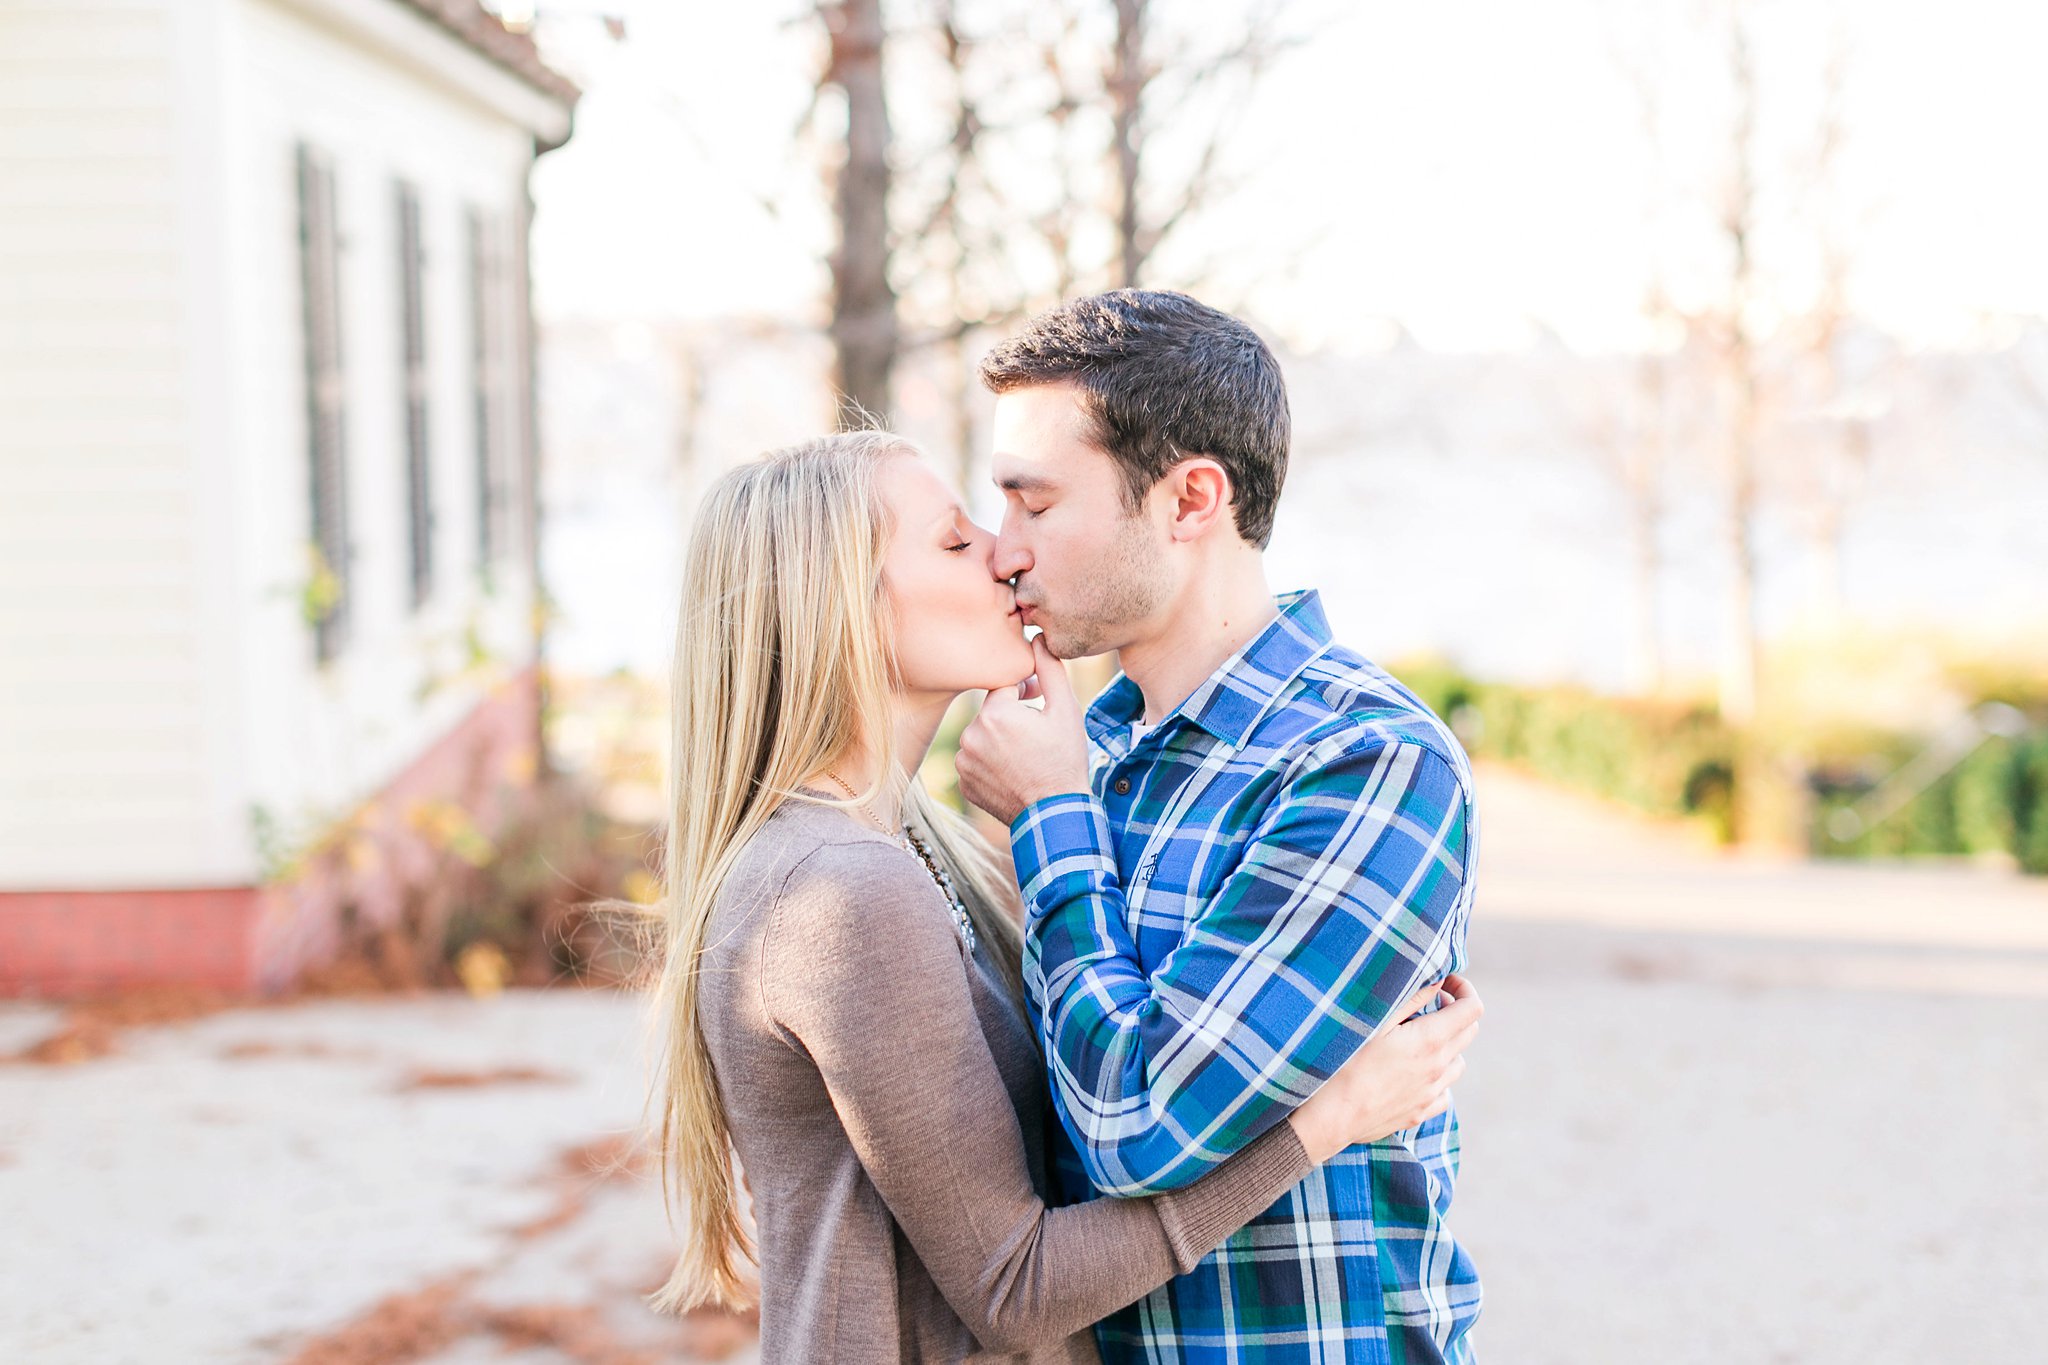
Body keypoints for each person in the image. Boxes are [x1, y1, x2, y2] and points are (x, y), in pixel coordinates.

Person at [641, 430, 1484, 1364]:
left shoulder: (911, 846)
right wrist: (1328, 1119)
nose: (1004, 555)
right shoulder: (839, 890)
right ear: (846, 605)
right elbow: (1015, 1286)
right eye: (957, 543)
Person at [955, 290, 1485, 1364]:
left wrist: (1049, 820)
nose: (1002, 551)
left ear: (1190, 498)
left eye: (1036, 504)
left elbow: (1135, 1129)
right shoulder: (1084, 746)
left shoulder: (1364, 761)